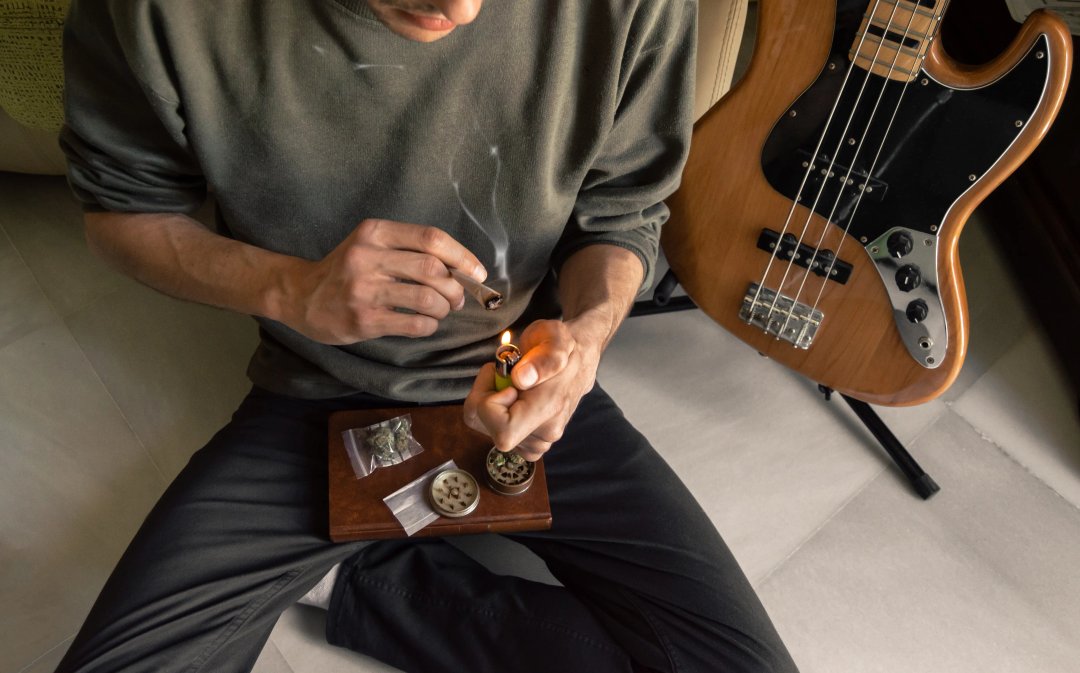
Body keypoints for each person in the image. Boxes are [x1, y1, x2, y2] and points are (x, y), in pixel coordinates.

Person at [55, 1, 800, 671]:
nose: (463, 9)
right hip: (314, 390)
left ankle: (360, 581)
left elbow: (622, 214)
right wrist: (290, 288)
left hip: (530, 385)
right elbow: (123, 213)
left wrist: (583, 340)